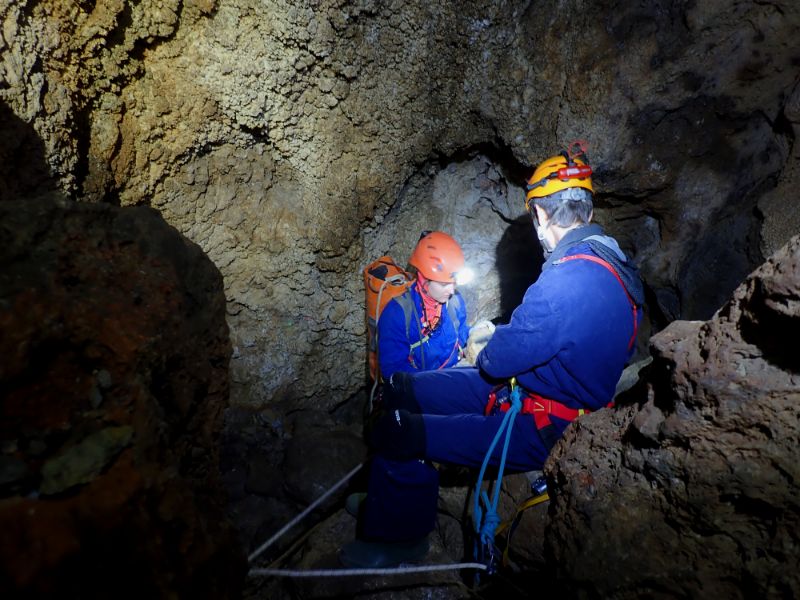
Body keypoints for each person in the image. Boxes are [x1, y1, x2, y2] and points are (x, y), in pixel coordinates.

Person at [339, 145, 645, 568]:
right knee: (401, 389)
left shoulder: (565, 279)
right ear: (588, 210)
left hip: (541, 424)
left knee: (398, 431)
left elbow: (497, 360)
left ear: (540, 214)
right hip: (538, 393)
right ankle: (384, 497)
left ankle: (400, 541)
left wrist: (494, 342)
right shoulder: (619, 269)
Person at [376, 230, 470, 378]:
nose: (452, 290)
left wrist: (475, 336)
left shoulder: (454, 302)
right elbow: (393, 370)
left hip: (453, 374)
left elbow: (461, 334)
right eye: (444, 284)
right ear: (423, 279)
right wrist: (433, 383)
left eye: (454, 283)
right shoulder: (396, 315)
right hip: (422, 386)